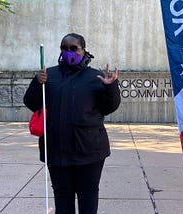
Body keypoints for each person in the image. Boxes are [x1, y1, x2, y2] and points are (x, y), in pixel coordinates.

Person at [23, 33, 121, 214]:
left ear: (84, 50)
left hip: (89, 151)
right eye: (64, 48)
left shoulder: (96, 77)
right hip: (57, 150)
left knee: (88, 197)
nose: (69, 52)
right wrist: (37, 83)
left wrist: (110, 87)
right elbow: (31, 103)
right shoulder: (48, 75)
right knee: (62, 197)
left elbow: (109, 107)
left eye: (74, 48)